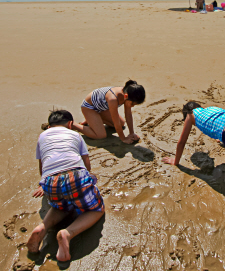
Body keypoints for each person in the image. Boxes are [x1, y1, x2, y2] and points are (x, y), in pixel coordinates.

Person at [27, 109, 105, 261]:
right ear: (70, 124)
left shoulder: (42, 136)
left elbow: (42, 169)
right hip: (75, 176)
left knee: (60, 206)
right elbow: (87, 166)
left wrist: (44, 185)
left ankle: (42, 228)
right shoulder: (75, 134)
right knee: (97, 209)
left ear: (49, 127)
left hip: (50, 180)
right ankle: (68, 233)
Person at [73, 80, 145, 144]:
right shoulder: (113, 99)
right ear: (126, 96)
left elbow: (128, 115)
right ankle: (74, 124)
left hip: (102, 109)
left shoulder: (129, 93)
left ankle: (92, 119)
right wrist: (123, 139)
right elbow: (116, 122)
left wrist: (132, 133)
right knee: (100, 135)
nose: (132, 106)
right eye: (132, 103)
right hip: (89, 108)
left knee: (122, 123)